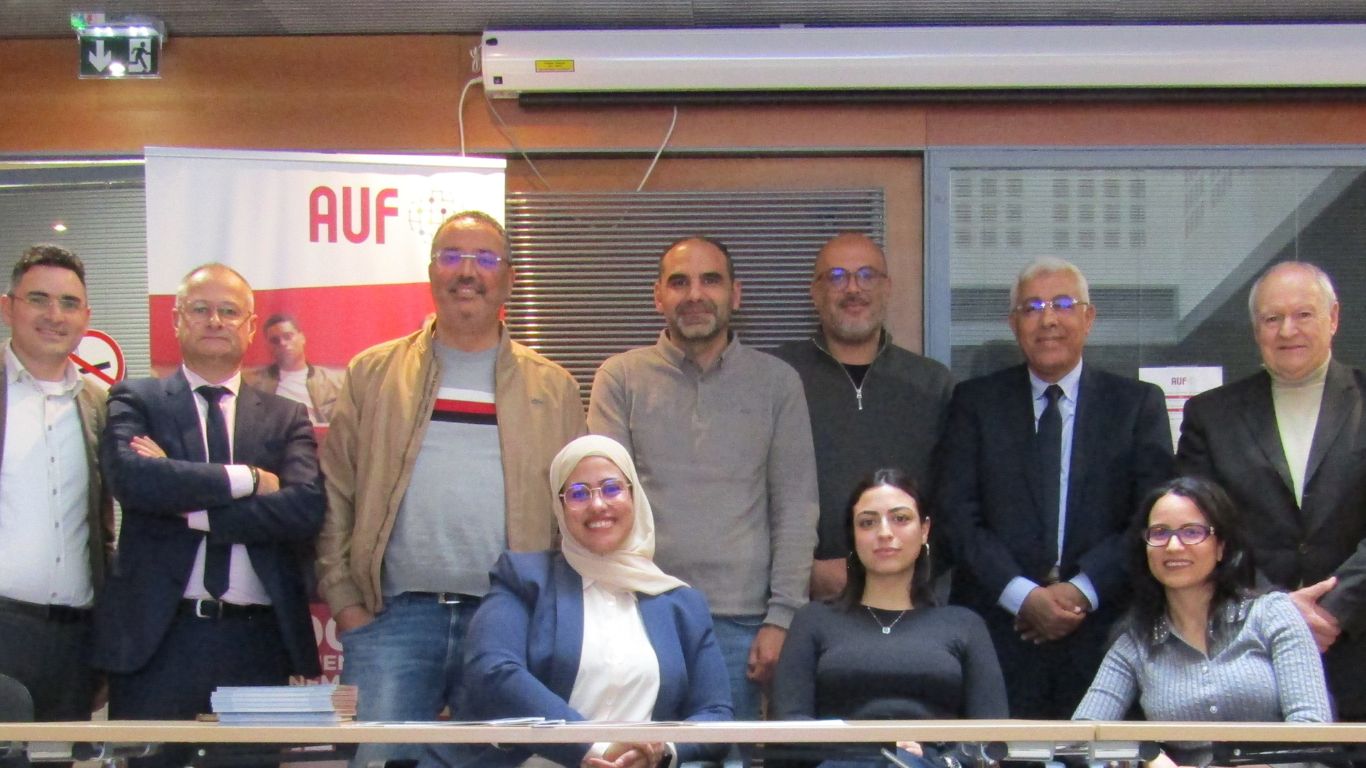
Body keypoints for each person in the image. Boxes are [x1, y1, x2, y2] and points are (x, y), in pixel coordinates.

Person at [317, 210, 586, 766]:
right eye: (452, 256)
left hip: (509, 623)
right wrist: (346, 605)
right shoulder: (373, 373)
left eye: (485, 258)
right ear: (432, 272)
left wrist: (552, 619)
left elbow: (575, 514)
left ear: (508, 279)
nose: (468, 271)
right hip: (392, 620)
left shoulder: (553, 387)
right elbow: (335, 492)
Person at [93, 264, 324, 761]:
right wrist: (251, 480)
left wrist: (189, 508)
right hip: (158, 641)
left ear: (248, 325)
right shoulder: (138, 398)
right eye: (200, 309)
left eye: (228, 311)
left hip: (256, 643)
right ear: (176, 320)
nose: (214, 320)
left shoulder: (286, 417)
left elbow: (304, 509)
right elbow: (134, 482)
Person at [589, 236, 819, 720]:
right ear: (659, 297)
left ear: (735, 294)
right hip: (642, 615)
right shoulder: (620, 378)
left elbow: (796, 508)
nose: (695, 294)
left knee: (727, 758)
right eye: (679, 282)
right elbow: (602, 510)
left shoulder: (777, 383)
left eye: (710, 280)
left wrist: (782, 619)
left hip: (743, 625)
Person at [935, 256, 1173, 719]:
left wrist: (1081, 591)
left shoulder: (1136, 405)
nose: (1048, 319)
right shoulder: (974, 403)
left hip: (1105, 637)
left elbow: (1152, 516)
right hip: (998, 638)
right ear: (1013, 323)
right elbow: (956, 516)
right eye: (1032, 307)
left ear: (1089, 317)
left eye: (1063, 303)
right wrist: (1023, 596)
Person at [423, 435, 733, 768]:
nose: (598, 505)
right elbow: (493, 671)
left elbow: (715, 714)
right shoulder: (525, 579)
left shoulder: (682, 604)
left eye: (612, 488)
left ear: (634, 496)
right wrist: (592, 748)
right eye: (579, 493)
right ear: (560, 507)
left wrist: (662, 751)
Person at [1175, 261, 1366, 722]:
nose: (1288, 331)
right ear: (1255, 329)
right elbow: (1200, 529)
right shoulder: (1211, 416)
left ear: (1334, 318)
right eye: (1272, 318)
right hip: (1250, 652)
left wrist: (1335, 609)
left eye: (1304, 315)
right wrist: (1275, 610)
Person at [1074, 477, 1331, 766]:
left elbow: (1312, 729)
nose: (1173, 546)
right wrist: (1144, 757)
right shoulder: (1136, 640)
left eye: (1192, 532)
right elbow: (1080, 739)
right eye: (1159, 533)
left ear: (1221, 546)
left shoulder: (1272, 613)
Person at [773, 468, 1006, 768]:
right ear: (853, 536)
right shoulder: (813, 621)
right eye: (868, 522)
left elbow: (993, 736)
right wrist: (880, 749)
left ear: (924, 530)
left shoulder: (965, 625)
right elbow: (788, 728)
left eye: (900, 518)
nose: (884, 532)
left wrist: (938, 759)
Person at [773, 234, 954, 600]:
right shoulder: (776, 377)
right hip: (803, 603)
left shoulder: (933, 384)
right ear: (815, 292)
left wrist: (906, 569)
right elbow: (749, 494)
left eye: (867, 275)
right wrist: (805, 572)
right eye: (837, 276)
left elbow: (954, 500)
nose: (853, 288)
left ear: (887, 288)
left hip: (912, 601)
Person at [0, 245, 112, 721]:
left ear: (85, 316)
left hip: (72, 641)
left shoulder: (102, 403)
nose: (54, 314)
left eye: (68, 303)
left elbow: (103, 528)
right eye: (38, 299)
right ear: (7, 307)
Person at [244, 312, 343, 425]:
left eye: (288, 336)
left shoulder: (334, 383)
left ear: (302, 338)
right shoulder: (252, 383)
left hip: (318, 439)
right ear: (269, 346)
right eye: (275, 340)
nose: (283, 343)